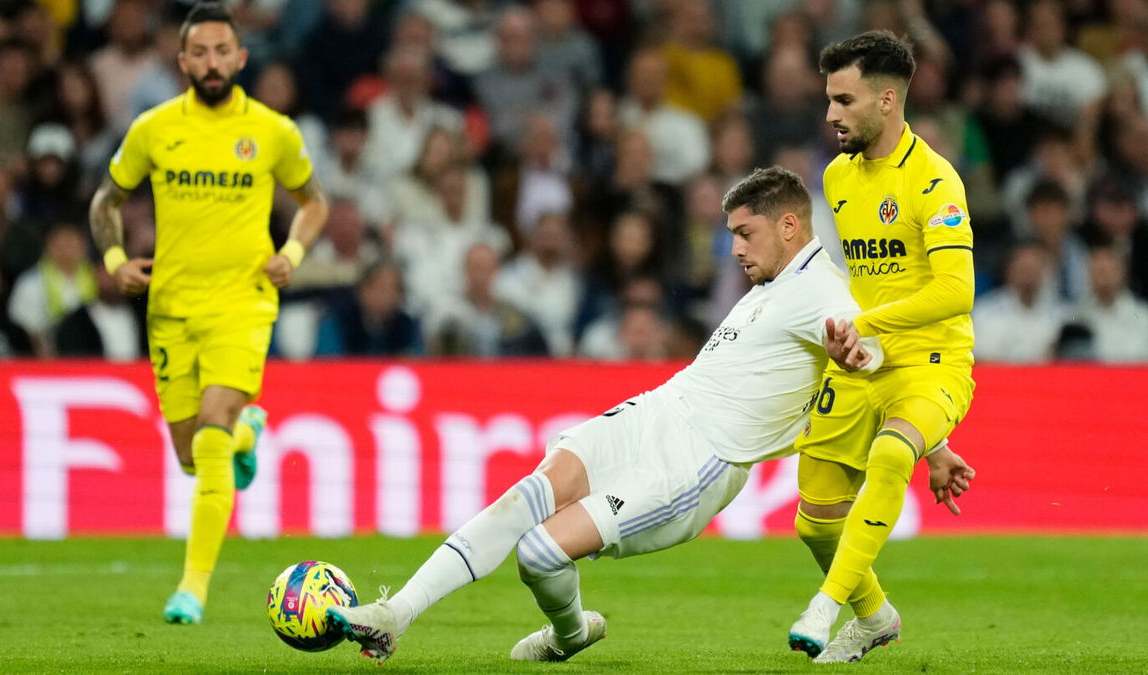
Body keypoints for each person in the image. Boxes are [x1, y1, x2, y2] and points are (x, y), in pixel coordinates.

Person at [323, 167, 974, 664]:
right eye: (730, 237)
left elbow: (877, 361)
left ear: (789, 227)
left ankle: (571, 633)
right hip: (658, 407)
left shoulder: (827, 293)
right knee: (527, 493)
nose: (736, 251)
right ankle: (397, 611)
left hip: (696, 462)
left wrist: (927, 438)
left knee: (539, 553)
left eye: (745, 234)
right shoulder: (773, 284)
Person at [87, 2, 328, 625]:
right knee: (192, 456)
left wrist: (293, 251)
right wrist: (115, 258)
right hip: (170, 308)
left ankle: (191, 589)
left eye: (224, 51)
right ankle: (250, 431)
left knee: (216, 426)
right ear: (183, 61)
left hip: (243, 301)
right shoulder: (154, 128)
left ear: (241, 58)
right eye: (201, 53)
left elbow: (314, 202)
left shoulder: (272, 130)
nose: (213, 62)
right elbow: (105, 201)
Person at [787, 30, 978, 663]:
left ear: (888, 99)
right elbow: (869, 279)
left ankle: (826, 604)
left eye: (844, 100)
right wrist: (854, 334)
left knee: (894, 455)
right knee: (813, 521)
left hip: (933, 365)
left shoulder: (934, 181)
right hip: (864, 363)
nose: (830, 114)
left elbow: (956, 290)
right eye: (829, 100)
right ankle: (874, 616)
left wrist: (869, 326)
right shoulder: (838, 178)